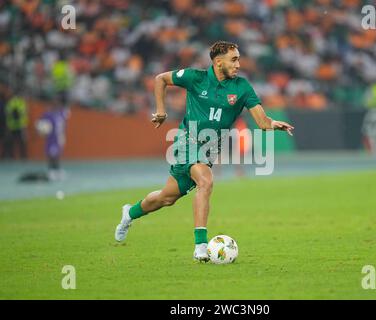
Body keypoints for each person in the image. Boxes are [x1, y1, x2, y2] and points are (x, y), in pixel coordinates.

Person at [114, 41, 294, 261]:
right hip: (186, 141)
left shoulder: (242, 87)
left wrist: (273, 124)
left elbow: (262, 122)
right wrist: (161, 111)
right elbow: (160, 79)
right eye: (234, 59)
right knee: (206, 182)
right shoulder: (195, 78)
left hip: (207, 152)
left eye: (238, 59)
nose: (238, 64)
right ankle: (200, 245)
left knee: (166, 198)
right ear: (218, 62)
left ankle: (129, 213)